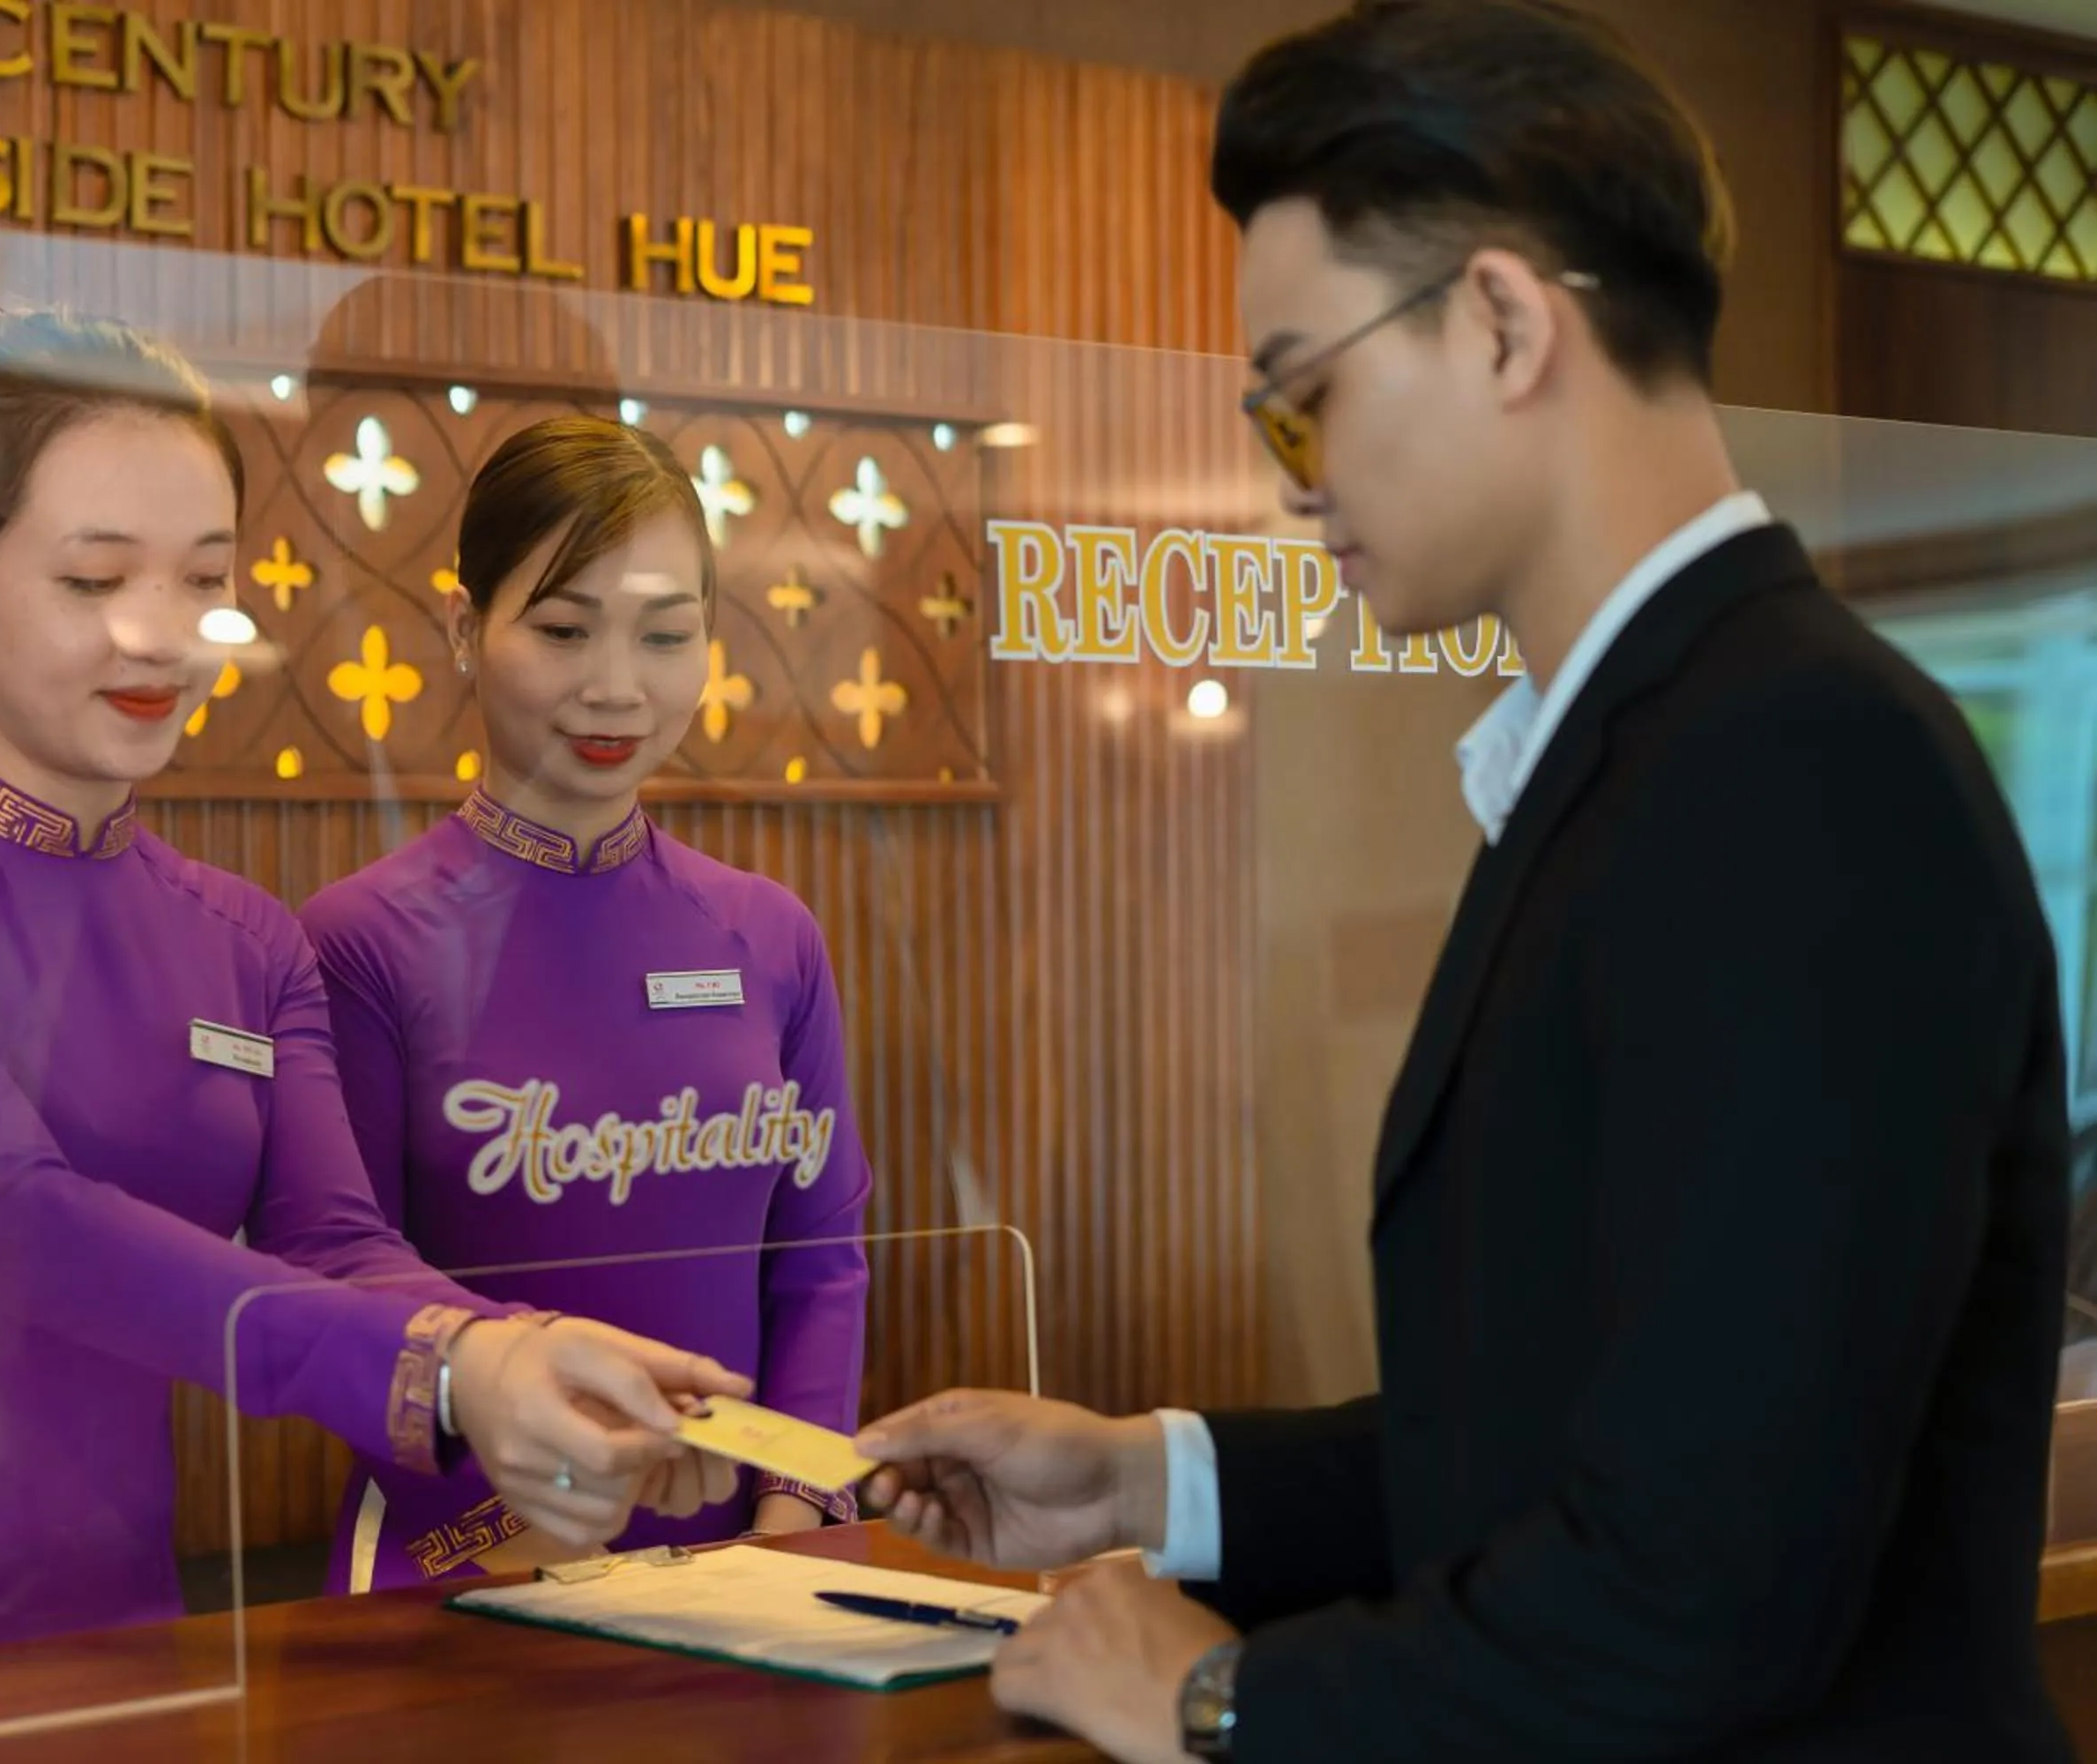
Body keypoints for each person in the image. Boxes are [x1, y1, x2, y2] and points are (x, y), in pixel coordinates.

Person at [855, 3, 2074, 1760]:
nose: (1294, 483)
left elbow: (1698, 1588)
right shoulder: (1653, 748)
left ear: (1504, 322)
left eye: (1303, 401)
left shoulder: (1800, 766)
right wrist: (1148, 1481)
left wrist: (1218, 1701)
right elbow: (1567, 1439)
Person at [0, 309, 749, 1693]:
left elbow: (336, 1244)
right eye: (96, 579)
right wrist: (456, 1367)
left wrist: (536, 1357)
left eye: (203, 578)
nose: (162, 635)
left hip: (116, 1621)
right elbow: (18, 1223)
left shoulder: (243, 942)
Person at [300, 415, 873, 1590]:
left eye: (665, 635)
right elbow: (343, 1276)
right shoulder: (361, 942)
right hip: (469, 1557)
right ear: (465, 628)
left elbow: (822, 1258)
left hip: (747, 1560)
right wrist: (526, 1526)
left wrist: (796, 1511)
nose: (616, 688)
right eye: (564, 630)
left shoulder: (768, 937)